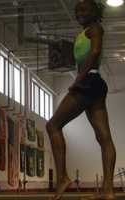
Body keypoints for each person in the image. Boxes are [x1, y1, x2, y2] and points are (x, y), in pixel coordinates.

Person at [46, 0, 116, 199]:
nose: (79, 13)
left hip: (88, 82)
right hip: (94, 85)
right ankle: (108, 191)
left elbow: (94, 52)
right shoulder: (82, 33)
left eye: (84, 9)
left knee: (53, 126)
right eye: (77, 10)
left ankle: (62, 178)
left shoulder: (95, 28)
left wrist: (78, 79)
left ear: (95, 11)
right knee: (104, 138)